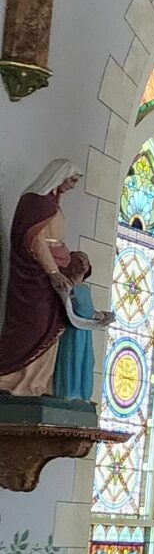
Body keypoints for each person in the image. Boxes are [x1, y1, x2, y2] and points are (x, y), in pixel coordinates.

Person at [0, 161, 79, 398]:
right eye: (72, 179)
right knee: (32, 324)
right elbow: (34, 240)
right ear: (59, 175)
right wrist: (53, 272)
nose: (72, 186)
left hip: (51, 279)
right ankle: (8, 379)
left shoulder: (51, 204)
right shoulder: (35, 202)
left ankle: (38, 384)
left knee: (51, 326)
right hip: (34, 280)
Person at [50, 253, 101, 406]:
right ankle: (68, 392)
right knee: (72, 357)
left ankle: (83, 394)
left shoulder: (85, 289)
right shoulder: (66, 285)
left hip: (86, 331)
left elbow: (87, 308)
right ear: (70, 265)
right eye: (79, 260)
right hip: (72, 329)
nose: (83, 263)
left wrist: (97, 315)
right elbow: (77, 309)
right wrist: (95, 315)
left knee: (87, 359)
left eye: (86, 259)